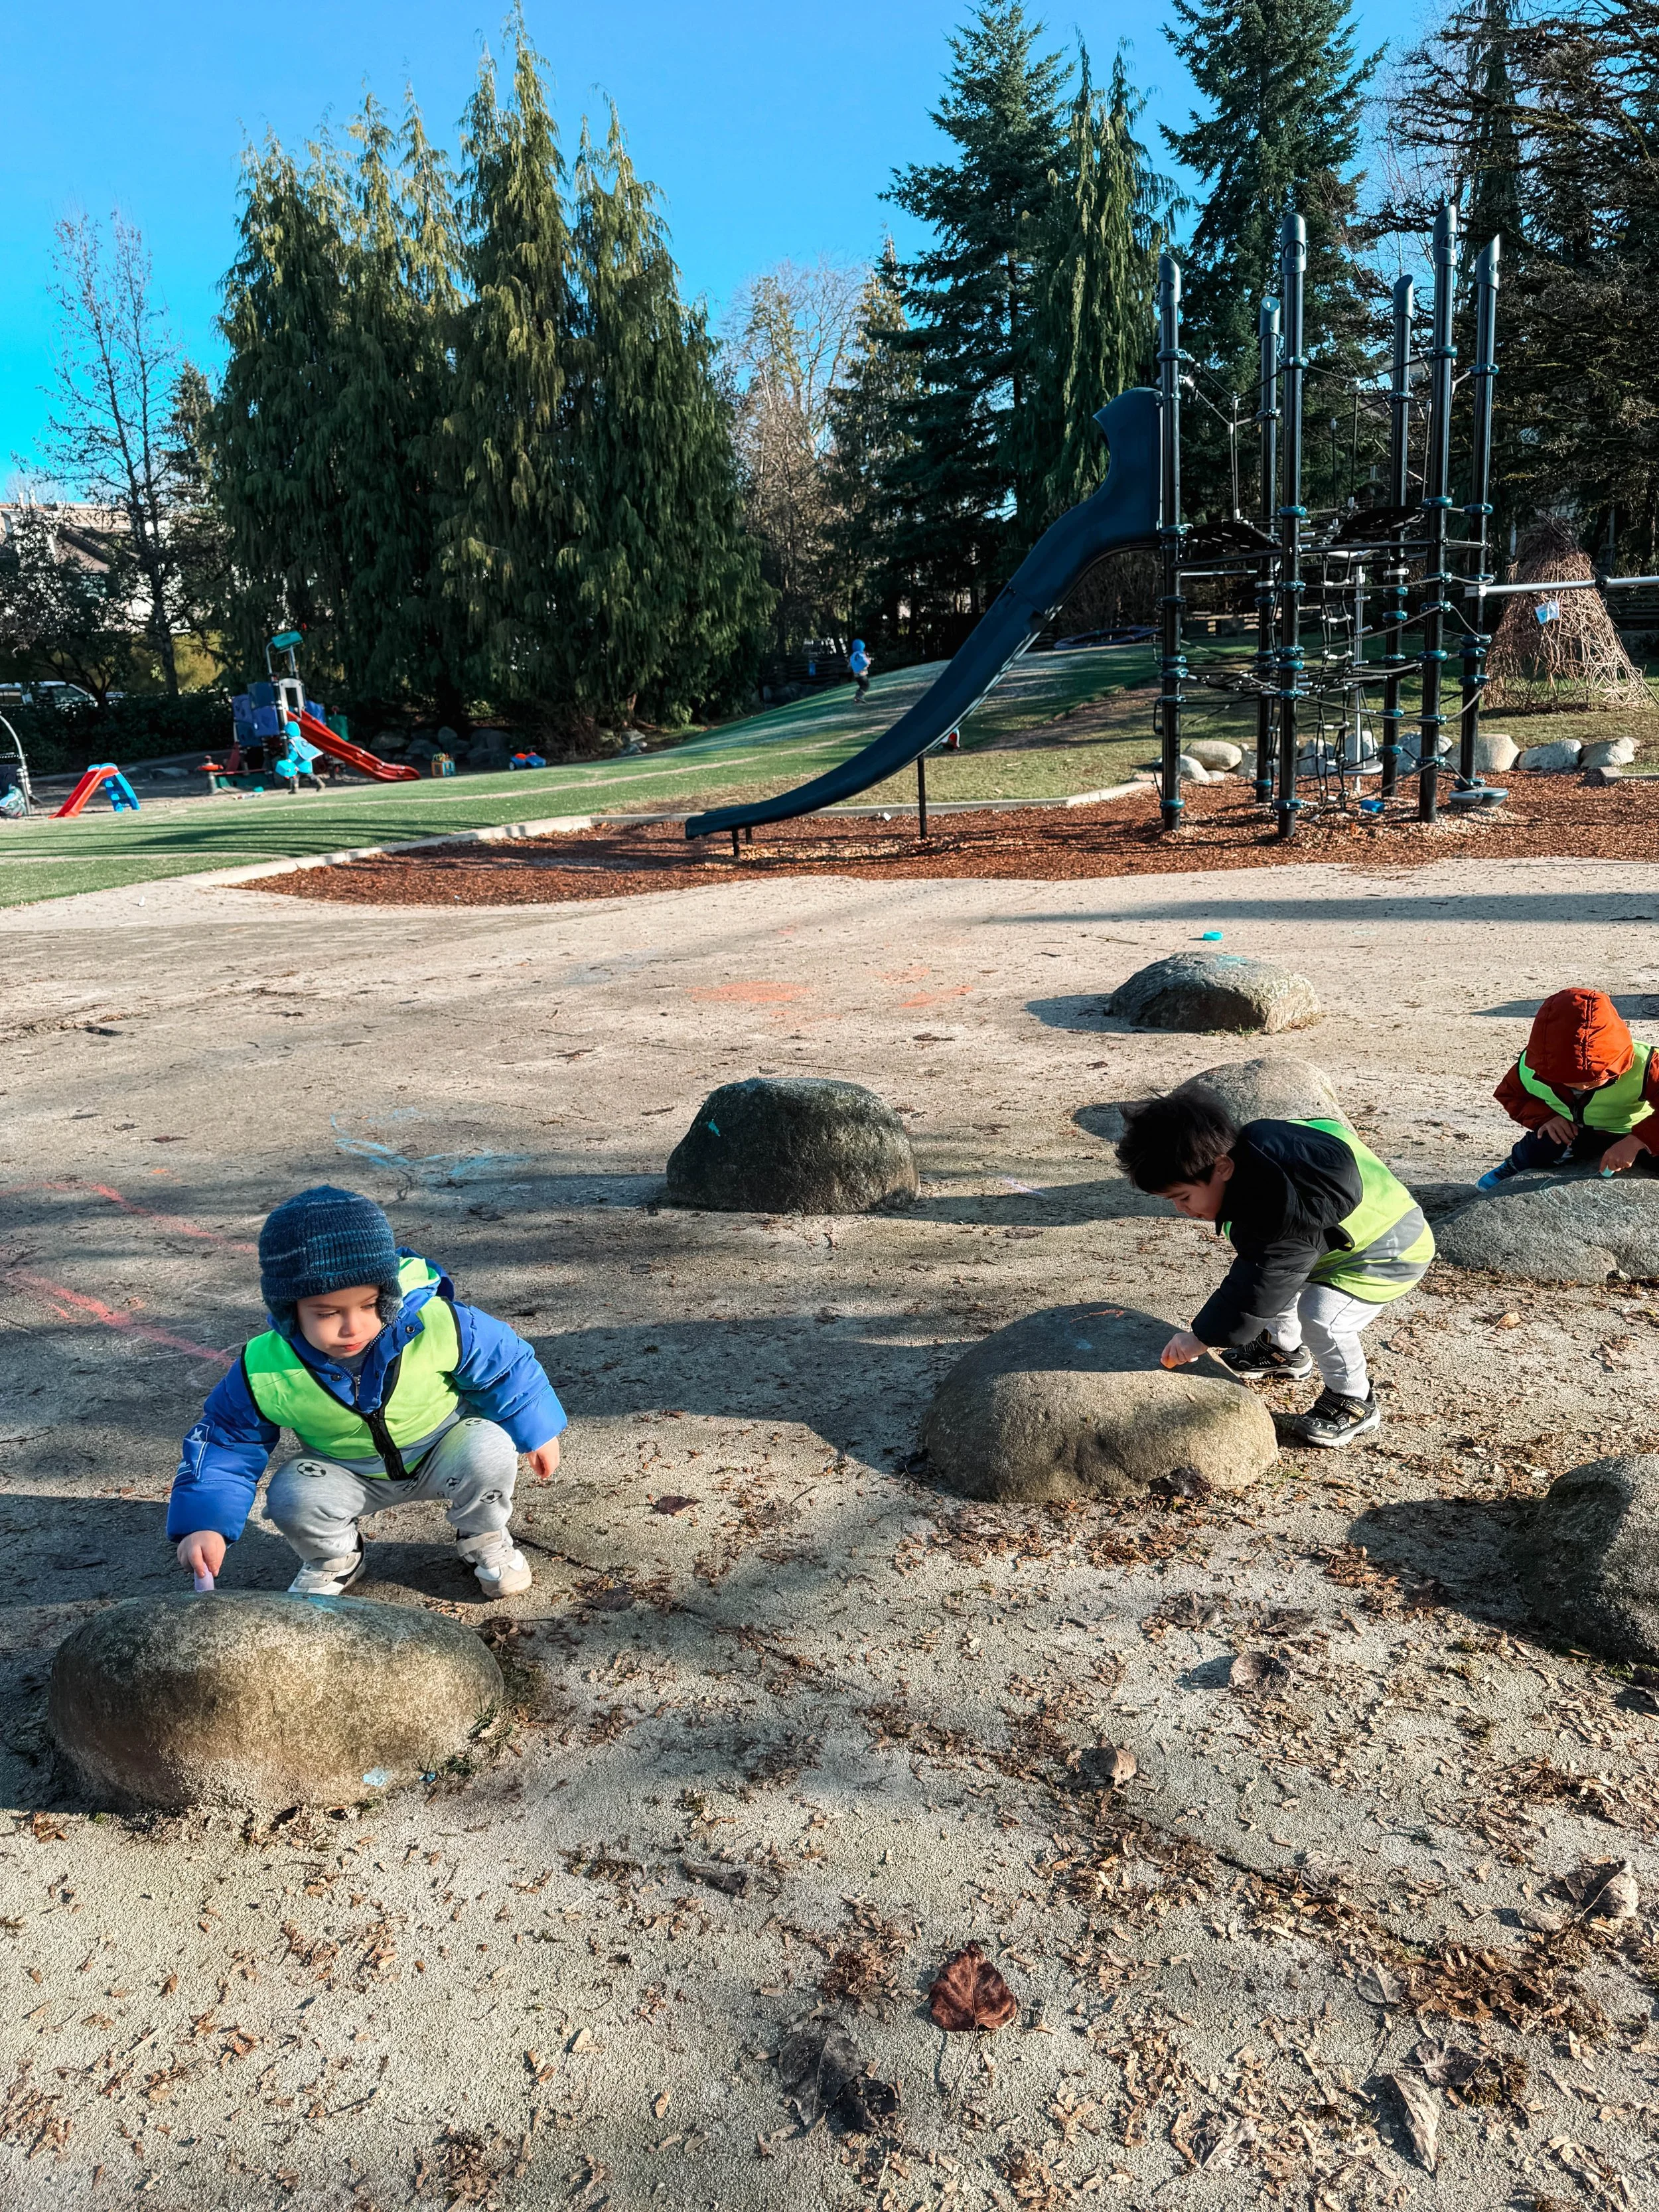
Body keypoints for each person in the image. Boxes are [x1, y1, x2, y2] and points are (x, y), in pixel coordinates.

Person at [168, 1187, 565, 1598]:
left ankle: (482, 1535)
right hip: (349, 1473)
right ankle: (336, 1557)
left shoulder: (438, 1322)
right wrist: (205, 1522)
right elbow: (226, 1439)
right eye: (326, 1313)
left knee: (490, 1447)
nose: (352, 1327)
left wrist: (536, 1429)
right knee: (292, 1493)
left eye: (368, 1305)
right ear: (290, 1311)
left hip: (443, 1450)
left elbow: (505, 1364)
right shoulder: (266, 1366)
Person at [1116, 1092, 1433, 1448]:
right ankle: (1282, 1350)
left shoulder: (1283, 1207)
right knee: (1272, 1271)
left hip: (1387, 1251)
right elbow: (1266, 1269)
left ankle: (1355, 1398)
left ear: (1222, 1167)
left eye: (1184, 1197)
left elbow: (1260, 1285)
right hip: (1332, 1240)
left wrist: (1200, 1339)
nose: (1180, 1209)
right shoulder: (1257, 1153)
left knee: (1321, 1318)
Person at [1478, 987, 1659, 1191]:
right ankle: (1515, 1164)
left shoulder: (1647, 1064)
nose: (1582, 1087)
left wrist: (1638, 1141)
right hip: (1572, 1130)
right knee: (1543, 1143)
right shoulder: (1533, 1066)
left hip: (1629, 1131)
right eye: (1570, 1082)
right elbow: (1511, 1095)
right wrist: (1545, 1118)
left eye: (1594, 1080)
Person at [849, 639, 872, 703]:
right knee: (866, 685)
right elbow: (865, 662)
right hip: (862, 674)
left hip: (856, 675)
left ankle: (858, 697)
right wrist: (868, 661)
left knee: (862, 686)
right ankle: (859, 696)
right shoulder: (860, 654)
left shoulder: (852, 656)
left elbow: (850, 665)